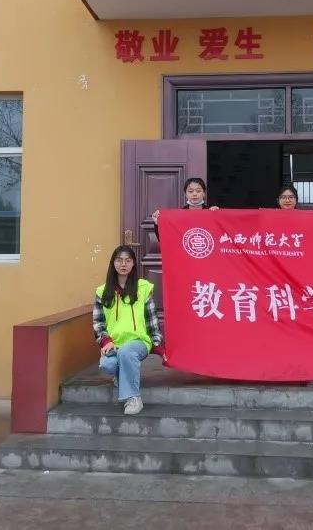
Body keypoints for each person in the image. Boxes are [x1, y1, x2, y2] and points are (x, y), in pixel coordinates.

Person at [92, 245, 162, 416]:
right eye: (119, 260)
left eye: (128, 260)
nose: (123, 264)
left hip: (138, 341)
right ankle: (122, 375)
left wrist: (157, 343)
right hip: (115, 344)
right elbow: (98, 323)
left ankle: (134, 398)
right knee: (107, 364)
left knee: (126, 352)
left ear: (133, 264)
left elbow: (151, 317)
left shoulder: (143, 288)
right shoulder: (103, 292)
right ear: (113, 263)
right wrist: (105, 341)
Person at [151, 177, 219, 238]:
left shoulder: (211, 211)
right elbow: (166, 238)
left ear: (204, 193)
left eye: (198, 191)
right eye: (190, 191)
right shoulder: (178, 215)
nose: (194, 194)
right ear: (186, 194)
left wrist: (217, 214)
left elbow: (219, 235)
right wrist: (158, 224)